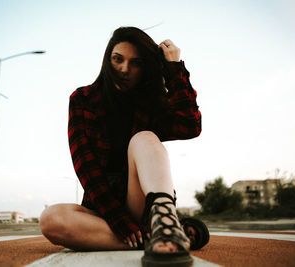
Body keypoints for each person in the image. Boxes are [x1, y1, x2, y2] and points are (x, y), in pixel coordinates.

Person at [40, 26, 202, 267]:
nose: (124, 69)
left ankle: (165, 218)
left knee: (144, 137)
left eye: (135, 63)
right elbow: (86, 167)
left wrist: (174, 69)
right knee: (50, 219)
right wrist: (119, 221)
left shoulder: (150, 104)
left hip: (142, 203)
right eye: (118, 59)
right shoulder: (83, 99)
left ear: (145, 67)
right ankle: (163, 236)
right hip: (104, 210)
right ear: (108, 60)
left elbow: (190, 125)